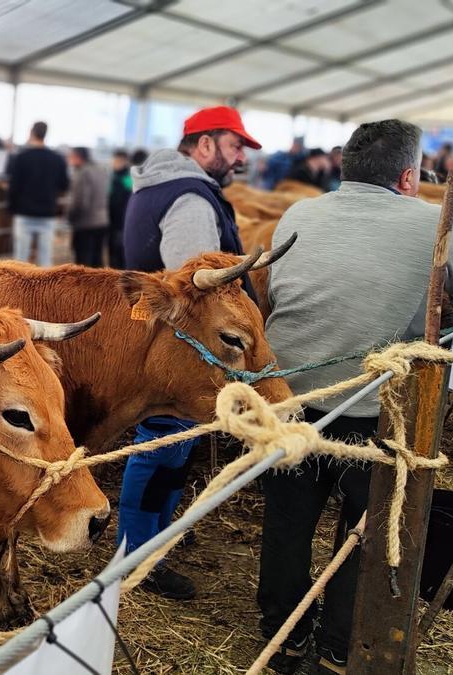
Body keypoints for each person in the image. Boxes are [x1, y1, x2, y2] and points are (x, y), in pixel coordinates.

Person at [259, 119, 453, 675]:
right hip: (371, 406)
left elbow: (277, 291)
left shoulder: (298, 212)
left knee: (286, 522)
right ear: (408, 176)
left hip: (283, 399)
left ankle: (282, 635)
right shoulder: (436, 221)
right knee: (367, 525)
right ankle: (336, 644)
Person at [120, 106, 262, 601]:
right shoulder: (191, 200)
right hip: (180, 346)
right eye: (234, 144)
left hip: (163, 338)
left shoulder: (160, 187)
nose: (240, 156)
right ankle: (136, 553)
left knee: (171, 441)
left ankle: (155, 536)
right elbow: (197, 286)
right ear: (204, 145)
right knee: (163, 440)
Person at [8, 121, 68, 266]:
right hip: (47, 213)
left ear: (32, 132)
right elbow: (64, 185)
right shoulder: (57, 158)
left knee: (20, 260)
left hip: (24, 213)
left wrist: (12, 209)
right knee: (45, 259)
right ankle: (45, 289)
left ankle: (20, 289)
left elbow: (14, 187)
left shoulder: (21, 157)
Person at [66, 147, 109, 267]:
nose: (69, 160)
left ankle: (85, 286)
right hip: (102, 221)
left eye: (70, 157)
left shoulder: (82, 172)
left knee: (83, 264)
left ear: (78, 157)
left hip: (85, 223)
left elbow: (80, 201)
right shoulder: (101, 170)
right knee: (97, 261)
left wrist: (71, 218)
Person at [108, 150, 133, 269]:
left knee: (119, 253)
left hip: (121, 221)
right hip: (111, 221)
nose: (114, 163)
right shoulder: (113, 176)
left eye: (117, 161)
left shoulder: (128, 179)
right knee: (112, 251)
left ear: (124, 162)